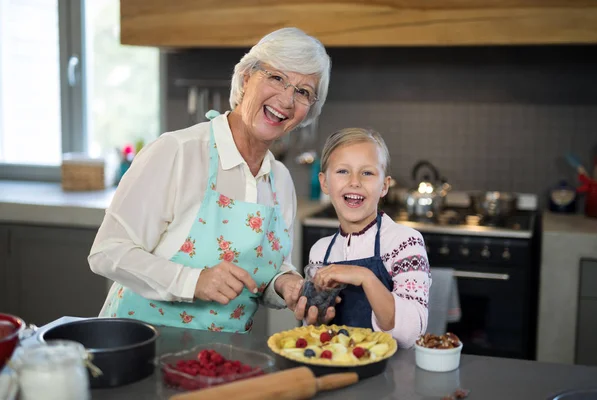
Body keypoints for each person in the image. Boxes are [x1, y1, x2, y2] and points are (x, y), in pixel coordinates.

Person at [89, 27, 332, 333]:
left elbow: (266, 273)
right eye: (276, 77)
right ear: (246, 78)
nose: (286, 99)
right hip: (140, 345)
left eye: (303, 92)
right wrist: (194, 281)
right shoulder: (178, 152)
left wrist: (286, 283)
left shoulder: (280, 181)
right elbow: (107, 252)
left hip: (224, 358)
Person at [305, 128, 431, 348]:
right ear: (324, 183)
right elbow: (316, 334)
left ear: (384, 186)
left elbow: (411, 334)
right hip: (338, 371)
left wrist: (365, 277)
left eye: (367, 173)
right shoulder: (320, 251)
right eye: (343, 171)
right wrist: (318, 321)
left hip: (392, 375)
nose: (355, 182)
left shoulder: (405, 243)